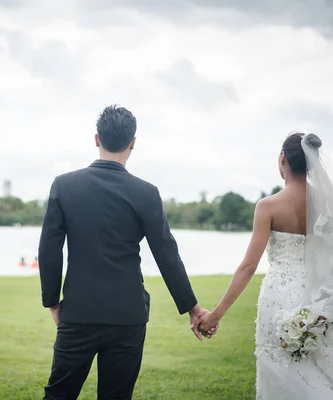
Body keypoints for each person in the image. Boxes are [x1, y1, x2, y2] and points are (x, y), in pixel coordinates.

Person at [38, 105, 217, 399]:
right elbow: (166, 255)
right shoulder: (145, 192)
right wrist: (192, 307)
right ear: (133, 142)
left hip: (78, 312)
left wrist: (52, 301)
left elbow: (49, 249)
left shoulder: (64, 186)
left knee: (58, 395)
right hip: (127, 316)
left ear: (97, 139)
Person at [197, 132, 333, 399]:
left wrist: (215, 315)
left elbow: (248, 266)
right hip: (318, 297)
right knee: (319, 365)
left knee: (278, 366)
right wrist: (327, 302)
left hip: (278, 297)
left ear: (282, 158)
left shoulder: (268, 206)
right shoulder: (327, 206)